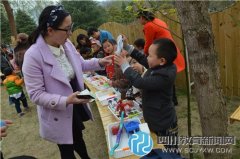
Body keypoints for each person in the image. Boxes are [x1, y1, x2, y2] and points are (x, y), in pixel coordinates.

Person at [22, 5, 112, 159]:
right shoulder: (33, 56)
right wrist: (65, 100)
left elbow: (81, 64)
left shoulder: (66, 44)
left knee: (77, 137)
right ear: (50, 30)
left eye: (72, 27)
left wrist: (100, 62)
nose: (71, 33)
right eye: (67, 29)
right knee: (66, 148)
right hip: (58, 106)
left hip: (73, 99)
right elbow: (36, 95)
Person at [115, 38, 178, 150]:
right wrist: (127, 47)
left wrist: (125, 66)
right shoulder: (160, 65)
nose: (146, 57)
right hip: (155, 119)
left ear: (162, 60)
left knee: (170, 150)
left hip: (163, 122)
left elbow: (140, 82)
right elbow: (143, 59)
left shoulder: (165, 76)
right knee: (158, 147)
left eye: (150, 55)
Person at [138, 10, 185, 106]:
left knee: (161, 76)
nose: (139, 21)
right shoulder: (159, 21)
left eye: (139, 18)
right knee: (169, 76)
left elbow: (148, 43)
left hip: (162, 54)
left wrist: (148, 55)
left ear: (142, 17)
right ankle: (173, 100)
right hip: (170, 50)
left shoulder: (149, 25)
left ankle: (169, 100)